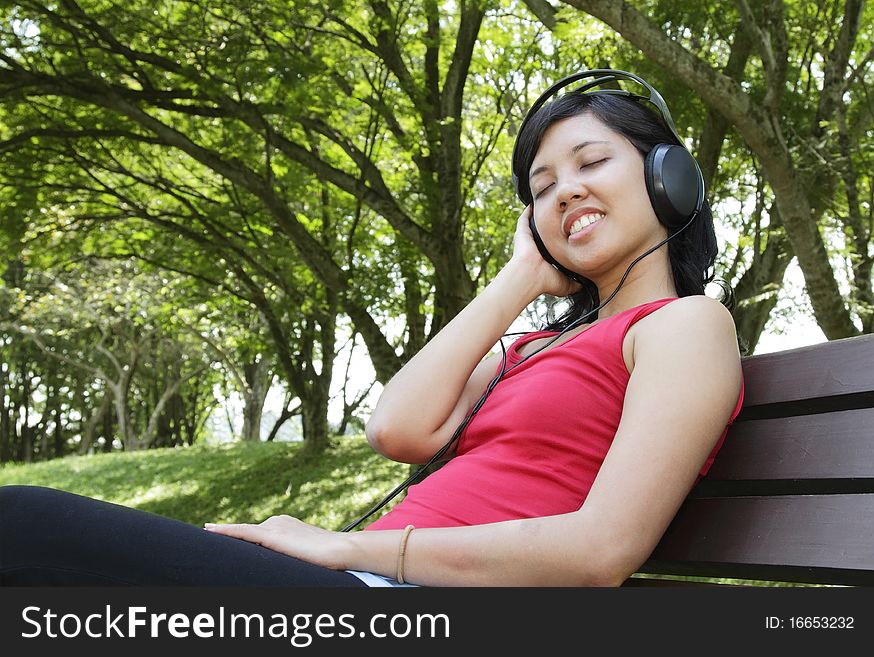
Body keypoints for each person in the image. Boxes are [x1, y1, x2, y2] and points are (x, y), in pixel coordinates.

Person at [0, 71, 744, 588]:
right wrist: (520, 277)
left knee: (24, 529)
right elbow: (397, 430)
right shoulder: (527, 348)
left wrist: (345, 546)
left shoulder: (685, 325)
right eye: (541, 189)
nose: (565, 191)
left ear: (666, 178)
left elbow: (600, 551)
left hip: (411, 599)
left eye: (591, 162)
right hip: (364, 582)